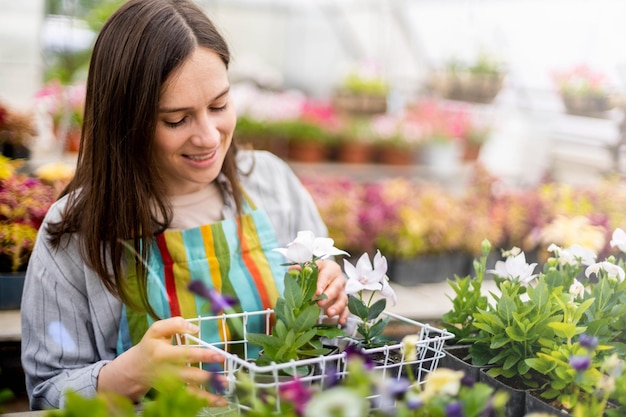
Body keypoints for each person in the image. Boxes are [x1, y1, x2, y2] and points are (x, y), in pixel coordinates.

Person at [20, 0, 349, 410]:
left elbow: (343, 341)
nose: (209, 137)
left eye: (219, 105)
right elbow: (47, 392)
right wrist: (124, 377)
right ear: (126, 122)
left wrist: (335, 300)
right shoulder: (75, 233)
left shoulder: (271, 183)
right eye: (177, 120)